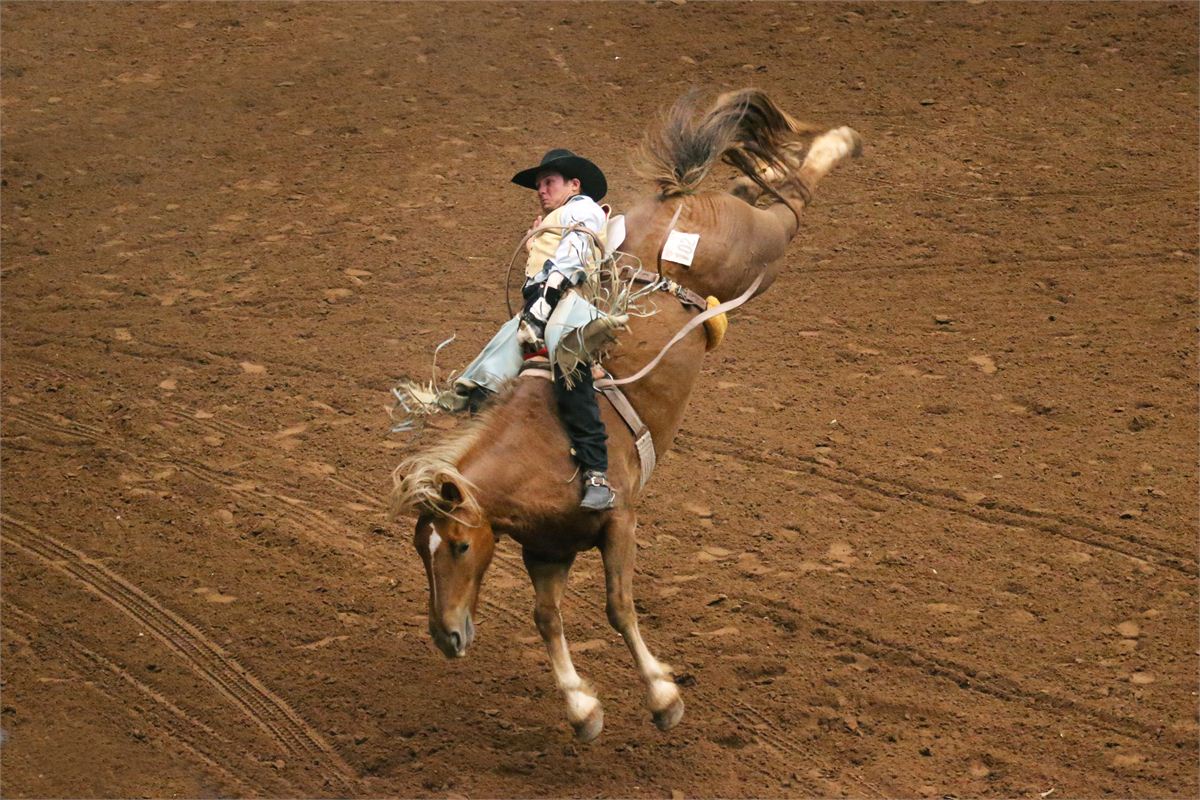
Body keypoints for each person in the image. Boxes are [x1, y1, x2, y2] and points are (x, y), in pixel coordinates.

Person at [510, 149, 616, 511]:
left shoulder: (582, 207)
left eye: (548, 182)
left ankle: (596, 473)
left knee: (571, 371)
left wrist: (541, 308)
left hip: (566, 303)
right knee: (484, 379)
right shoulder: (551, 221)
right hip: (536, 307)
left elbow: (572, 258)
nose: (541, 190)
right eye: (538, 185)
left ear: (574, 184)